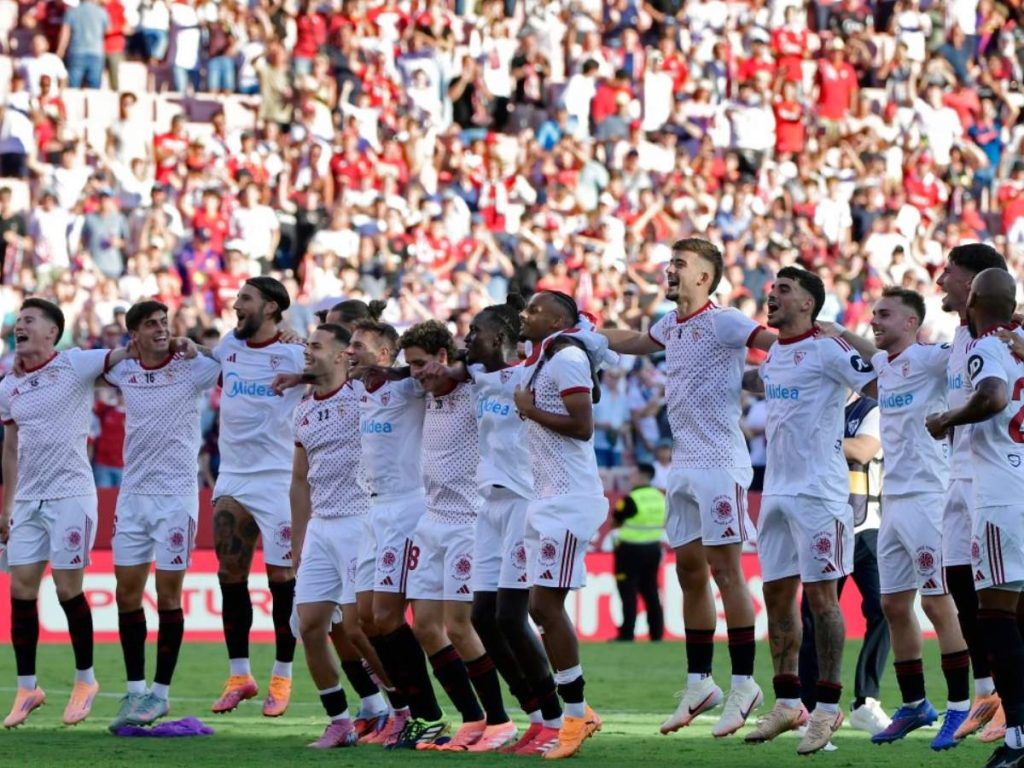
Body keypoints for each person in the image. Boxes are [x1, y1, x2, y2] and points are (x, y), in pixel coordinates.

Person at [601, 238, 776, 738]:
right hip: (682, 464)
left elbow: (767, 341)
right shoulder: (668, 324)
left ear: (705, 276)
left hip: (721, 461)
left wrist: (809, 347)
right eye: (670, 262)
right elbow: (636, 341)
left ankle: (744, 682)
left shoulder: (724, 321)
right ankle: (700, 681)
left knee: (726, 571)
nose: (669, 269)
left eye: (680, 263)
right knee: (689, 575)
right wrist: (587, 336)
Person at [826, 288, 970, 748]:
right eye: (874, 315)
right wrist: (843, 333)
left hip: (931, 497)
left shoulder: (931, 359)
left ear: (912, 322)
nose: (876, 321)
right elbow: (872, 355)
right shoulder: (885, 366)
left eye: (885, 315)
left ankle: (960, 707)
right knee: (892, 606)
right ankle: (914, 705)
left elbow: (966, 362)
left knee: (937, 603)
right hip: (892, 502)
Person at [741, 266, 877, 755]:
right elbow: (759, 382)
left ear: (808, 303)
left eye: (784, 290)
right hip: (775, 491)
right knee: (776, 595)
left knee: (822, 600)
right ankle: (787, 700)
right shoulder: (777, 353)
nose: (772, 295)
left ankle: (826, 707)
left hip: (820, 492)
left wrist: (847, 335)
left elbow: (880, 382)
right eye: (772, 288)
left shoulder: (827, 348)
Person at [0, 298, 126, 727]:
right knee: (21, 591)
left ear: (52, 332)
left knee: (68, 589)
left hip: (71, 494)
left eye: (29, 321)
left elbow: (124, 353)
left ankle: (85, 679)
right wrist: (6, 506)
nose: (20, 327)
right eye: (18, 322)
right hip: (27, 501)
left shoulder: (76, 364)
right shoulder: (8, 386)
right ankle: (27, 687)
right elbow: (11, 450)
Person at [103, 300, 220, 731]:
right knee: (126, 593)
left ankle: (161, 694)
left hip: (176, 496)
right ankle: (134, 692)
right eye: (150, 324)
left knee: (168, 595)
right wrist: (119, 354)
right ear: (134, 333)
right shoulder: (123, 370)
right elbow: (85, 370)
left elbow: (230, 363)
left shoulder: (191, 367)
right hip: (132, 496)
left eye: (163, 323)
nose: (160, 330)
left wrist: (198, 347)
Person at [401, 320, 516, 751]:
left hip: (469, 522)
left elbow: (495, 365)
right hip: (431, 521)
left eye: (420, 363)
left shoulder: (473, 391)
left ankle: (501, 722)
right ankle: (472, 718)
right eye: (408, 364)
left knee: (459, 625)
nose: (414, 373)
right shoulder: (423, 392)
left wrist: (460, 368)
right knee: (426, 627)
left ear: (444, 357)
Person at [926, 268, 1024, 768]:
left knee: (994, 615)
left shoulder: (991, 345)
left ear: (975, 300)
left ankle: (1018, 735)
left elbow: (993, 396)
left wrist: (947, 418)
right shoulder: (1020, 340)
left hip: (999, 495)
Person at [345, 318, 448, 749]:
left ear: (386, 354)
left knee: (387, 617)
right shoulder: (357, 391)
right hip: (372, 509)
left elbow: (442, 370)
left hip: (407, 507)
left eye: (358, 346)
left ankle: (430, 716)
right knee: (366, 620)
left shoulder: (407, 388)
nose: (350, 353)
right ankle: (405, 711)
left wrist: (398, 371)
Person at [512, 290, 606, 759]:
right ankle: (576, 711)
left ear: (557, 319)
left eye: (532, 310)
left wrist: (529, 411)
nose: (524, 316)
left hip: (569, 498)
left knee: (545, 606)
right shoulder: (545, 358)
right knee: (539, 608)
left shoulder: (567, 358)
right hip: (547, 496)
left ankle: (575, 714)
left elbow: (583, 425)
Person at [207, 277, 306, 717]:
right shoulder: (228, 344)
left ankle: (282, 675)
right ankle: (239, 675)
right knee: (229, 575)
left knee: (282, 580)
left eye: (244, 299)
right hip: (232, 476)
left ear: (270, 308)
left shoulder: (293, 354)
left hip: (278, 481)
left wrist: (306, 348)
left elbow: (337, 368)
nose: (235, 304)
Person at [290, 323, 387, 748]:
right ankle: (340, 720)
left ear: (341, 355)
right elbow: (299, 480)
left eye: (315, 346)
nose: (307, 352)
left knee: (357, 628)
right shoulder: (304, 408)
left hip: (358, 521)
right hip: (321, 528)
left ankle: (401, 710)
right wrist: (297, 541)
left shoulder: (362, 397)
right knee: (309, 625)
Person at [798, 394, 892, 737]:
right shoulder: (815, 404)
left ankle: (866, 701)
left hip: (866, 528)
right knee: (812, 619)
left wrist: (813, 437)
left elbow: (863, 450)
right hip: (823, 526)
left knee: (886, 610)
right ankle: (809, 708)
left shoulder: (870, 409)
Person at [611, 463, 666, 643]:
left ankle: (627, 633)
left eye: (633, 473)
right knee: (651, 591)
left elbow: (616, 521)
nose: (630, 477)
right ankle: (656, 634)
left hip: (630, 550)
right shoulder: (660, 497)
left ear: (642, 476)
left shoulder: (631, 498)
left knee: (628, 592)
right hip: (653, 549)